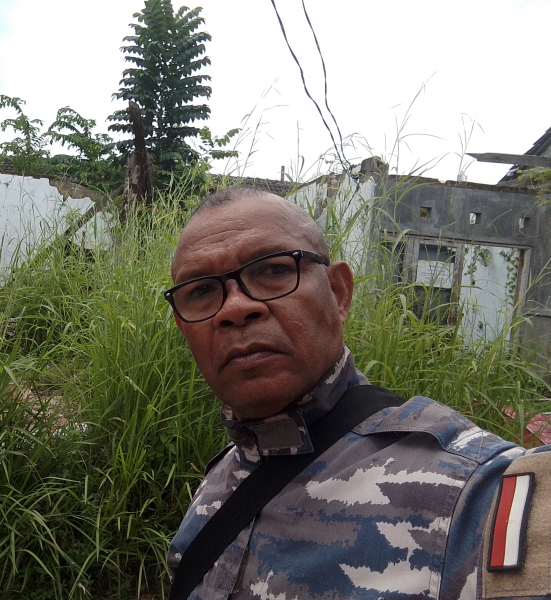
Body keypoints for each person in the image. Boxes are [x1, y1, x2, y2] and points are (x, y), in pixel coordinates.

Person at [164, 188, 550, 600]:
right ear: (183, 328)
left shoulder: (475, 492)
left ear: (338, 293)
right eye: (201, 291)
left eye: (273, 269)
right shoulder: (219, 481)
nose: (234, 308)